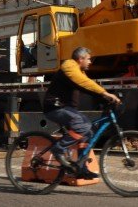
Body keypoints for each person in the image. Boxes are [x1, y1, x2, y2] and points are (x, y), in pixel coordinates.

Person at [43, 47, 121, 179]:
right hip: (55, 107)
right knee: (83, 126)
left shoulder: (78, 71)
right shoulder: (69, 67)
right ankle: (58, 149)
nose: (90, 62)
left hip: (66, 109)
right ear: (80, 59)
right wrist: (105, 93)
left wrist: (104, 99)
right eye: (88, 59)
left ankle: (81, 168)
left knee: (87, 133)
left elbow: (88, 88)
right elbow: (85, 83)